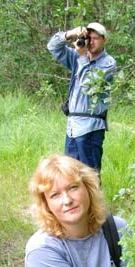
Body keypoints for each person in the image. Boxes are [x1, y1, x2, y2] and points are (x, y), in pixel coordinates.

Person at [47, 23, 117, 173]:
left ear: (104, 40)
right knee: (71, 177)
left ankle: (97, 198)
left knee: (90, 178)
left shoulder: (108, 63)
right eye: (87, 38)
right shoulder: (78, 57)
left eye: (94, 38)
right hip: (72, 128)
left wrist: (83, 57)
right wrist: (70, 34)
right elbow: (52, 47)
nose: (90, 42)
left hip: (90, 128)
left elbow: (89, 86)